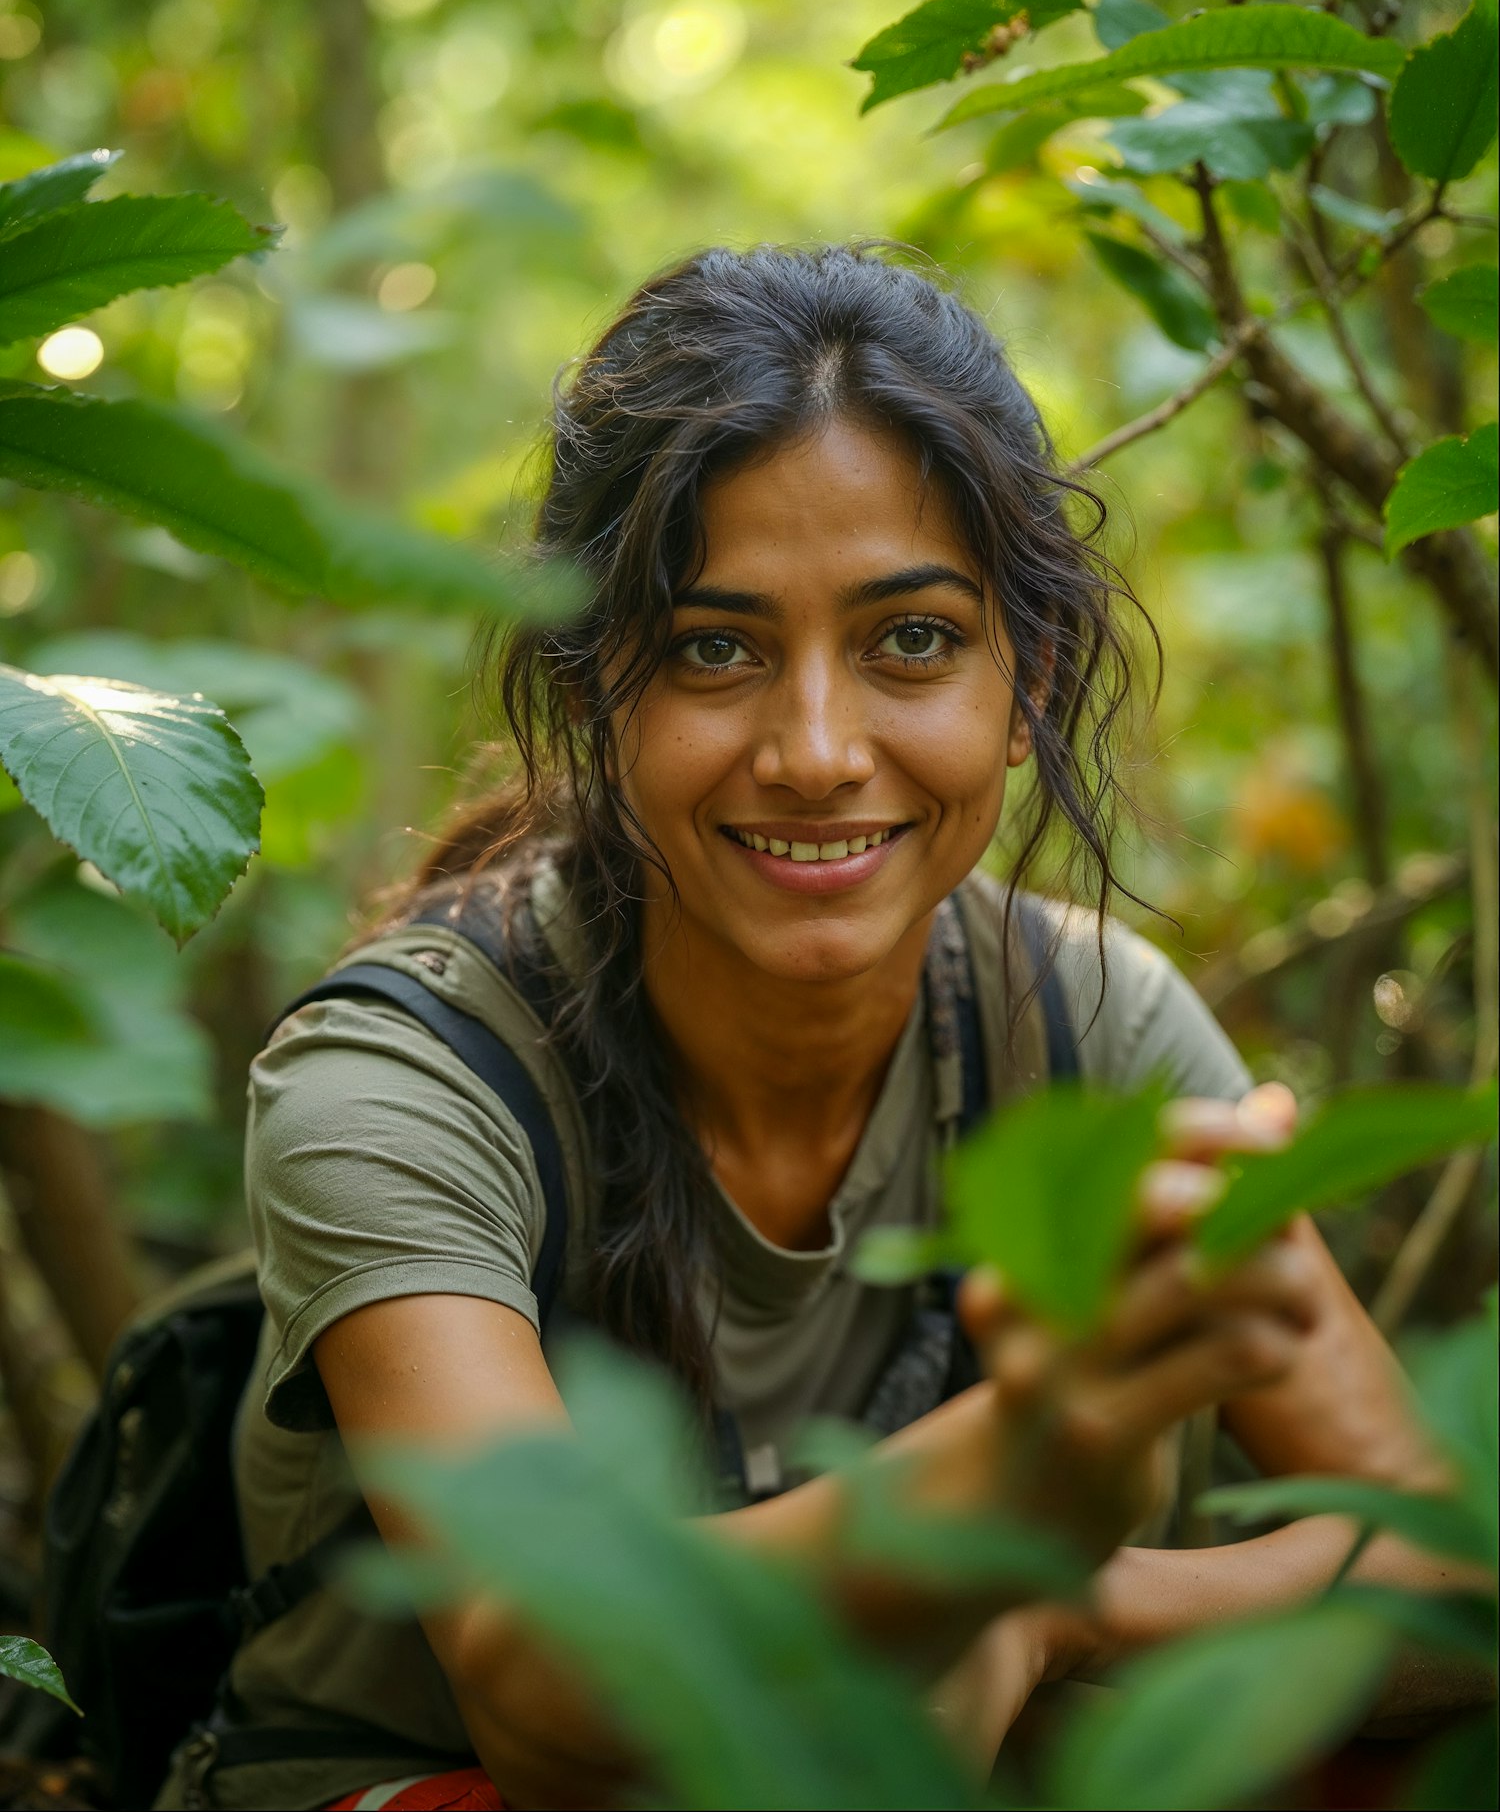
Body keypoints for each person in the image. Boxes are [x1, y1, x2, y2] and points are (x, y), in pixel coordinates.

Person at [159, 246, 1464, 1812]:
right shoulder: (399, 1083)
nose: (819, 749)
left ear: (1025, 670)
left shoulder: (1090, 1020)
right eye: (716, 647)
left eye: (911, 638)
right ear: (593, 696)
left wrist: (1061, 1606)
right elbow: (547, 1692)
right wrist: (1017, 1477)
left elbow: (1453, 1578)